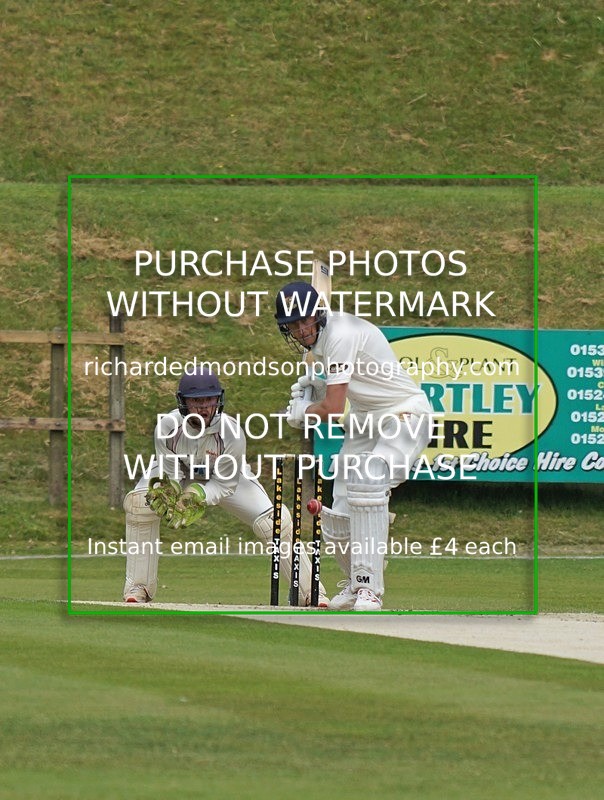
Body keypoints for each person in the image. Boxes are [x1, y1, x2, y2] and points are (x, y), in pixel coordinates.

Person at [275, 281, 433, 611]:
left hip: (403, 414)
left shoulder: (342, 334)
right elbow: (336, 397)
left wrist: (304, 411)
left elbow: (332, 409)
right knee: (339, 513)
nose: (301, 330)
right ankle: (354, 581)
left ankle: (369, 589)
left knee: (368, 479)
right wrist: (313, 389)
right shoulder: (319, 347)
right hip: (364, 421)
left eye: (305, 321)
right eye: (293, 325)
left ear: (318, 315)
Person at [122, 366, 328, 607]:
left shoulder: (232, 432)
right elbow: (170, 470)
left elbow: (225, 484)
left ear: (218, 400)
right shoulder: (167, 427)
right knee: (139, 505)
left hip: (225, 476)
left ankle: (308, 591)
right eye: (196, 401)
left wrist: (199, 494)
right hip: (180, 471)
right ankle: (139, 586)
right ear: (183, 403)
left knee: (274, 522)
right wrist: (173, 493)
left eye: (209, 400)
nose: (203, 407)